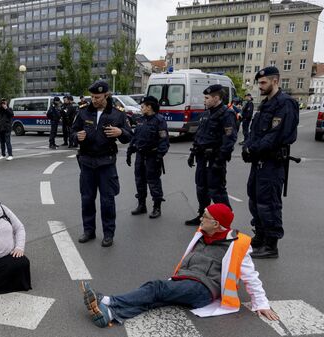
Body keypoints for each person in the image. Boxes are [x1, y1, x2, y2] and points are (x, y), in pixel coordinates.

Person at [79, 203, 279, 328]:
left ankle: (108, 300)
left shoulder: (238, 245)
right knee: (155, 300)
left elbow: (251, 277)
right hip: (186, 281)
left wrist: (261, 303)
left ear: (217, 224)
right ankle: (112, 315)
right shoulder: (202, 234)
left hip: (203, 289)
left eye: (206, 216)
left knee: (156, 288)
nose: (201, 218)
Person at [242, 67, 299, 259]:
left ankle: (271, 245)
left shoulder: (285, 104)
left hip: (272, 163)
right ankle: (260, 236)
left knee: (269, 203)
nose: (260, 86)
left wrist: (253, 149)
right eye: (259, 83)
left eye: (263, 82)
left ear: (275, 81)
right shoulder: (266, 104)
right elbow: (254, 131)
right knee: (254, 199)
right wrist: (247, 147)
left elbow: (276, 136)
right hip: (258, 161)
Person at [70, 81, 132, 247]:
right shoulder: (83, 112)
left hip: (106, 163)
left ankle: (108, 233)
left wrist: (120, 132)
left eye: (97, 97)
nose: (94, 100)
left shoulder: (118, 114)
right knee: (87, 199)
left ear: (106, 95)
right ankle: (89, 231)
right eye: (92, 97)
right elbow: (72, 132)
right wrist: (77, 136)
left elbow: (128, 135)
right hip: (87, 162)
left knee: (107, 201)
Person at [185, 84, 237, 227]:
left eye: (207, 98)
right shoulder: (207, 113)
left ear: (216, 98)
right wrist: (192, 153)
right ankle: (203, 216)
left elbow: (229, 139)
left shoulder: (227, 114)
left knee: (217, 191)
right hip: (202, 157)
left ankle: (226, 221)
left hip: (215, 158)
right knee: (201, 188)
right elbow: (200, 135)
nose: (204, 100)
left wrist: (220, 160)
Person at [126, 96, 169, 218]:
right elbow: (135, 137)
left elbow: (164, 140)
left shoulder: (159, 120)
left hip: (152, 155)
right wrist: (130, 151)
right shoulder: (140, 120)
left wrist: (159, 156)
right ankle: (141, 205)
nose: (141, 108)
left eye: (143, 106)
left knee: (153, 181)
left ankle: (157, 207)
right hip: (140, 155)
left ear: (149, 107)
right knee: (139, 180)